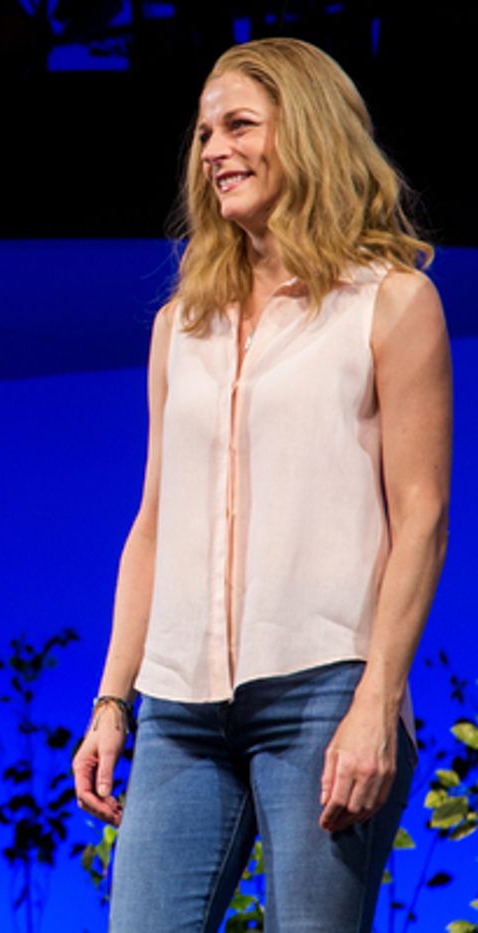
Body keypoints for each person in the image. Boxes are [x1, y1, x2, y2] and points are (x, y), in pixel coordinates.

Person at [71, 37, 452, 931]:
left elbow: (423, 517)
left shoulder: (390, 301)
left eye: (240, 125)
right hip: (178, 706)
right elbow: (153, 524)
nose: (213, 152)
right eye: (205, 134)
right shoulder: (181, 323)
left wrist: (377, 701)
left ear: (311, 135)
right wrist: (112, 699)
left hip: (325, 690)